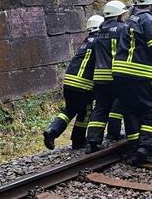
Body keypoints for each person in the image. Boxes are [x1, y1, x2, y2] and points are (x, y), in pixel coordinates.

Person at [113, 0, 152, 165]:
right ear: (151, 4)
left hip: (120, 74)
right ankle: (146, 148)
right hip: (142, 73)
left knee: (130, 110)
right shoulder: (148, 20)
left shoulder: (129, 21)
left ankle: (134, 147)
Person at [43, 15, 105, 150]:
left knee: (69, 109)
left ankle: (52, 131)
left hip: (69, 82)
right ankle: (78, 140)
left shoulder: (86, 41)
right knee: (86, 111)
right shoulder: (100, 41)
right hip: (83, 84)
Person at [84, 0, 129, 153]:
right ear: (118, 15)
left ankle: (92, 141)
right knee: (122, 103)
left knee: (100, 108)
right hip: (115, 75)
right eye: (123, 14)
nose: (124, 16)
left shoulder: (100, 29)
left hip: (99, 77)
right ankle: (116, 133)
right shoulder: (122, 29)